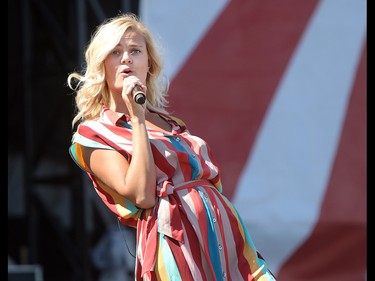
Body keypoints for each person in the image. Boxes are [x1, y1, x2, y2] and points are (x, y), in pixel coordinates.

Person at [68, 13, 277, 281]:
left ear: (149, 64)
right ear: (102, 65)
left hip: (226, 237)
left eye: (135, 50)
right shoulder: (93, 134)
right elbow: (142, 196)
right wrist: (136, 119)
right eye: (115, 52)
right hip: (176, 243)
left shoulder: (171, 122)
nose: (126, 59)